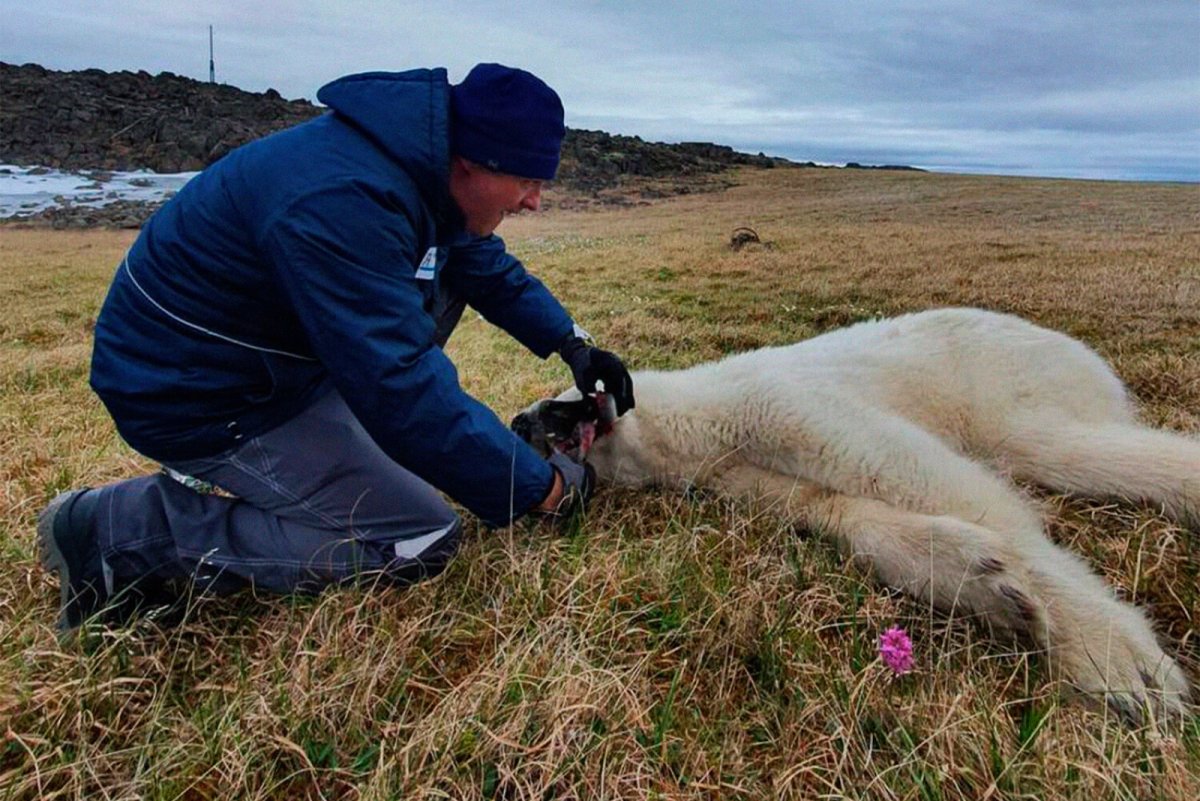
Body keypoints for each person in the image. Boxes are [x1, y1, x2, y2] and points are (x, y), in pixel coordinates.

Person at [36, 63, 635, 632]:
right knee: (418, 536)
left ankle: (345, 449)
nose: (534, 200)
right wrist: (541, 490)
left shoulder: (420, 174)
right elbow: (399, 385)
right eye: (528, 180)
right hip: (194, 392)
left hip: (267, 365)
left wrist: (574, 345)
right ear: (473, 162)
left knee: (435, 336)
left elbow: (482, 268)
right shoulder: (344, 201)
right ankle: (119, 532)